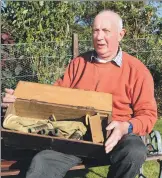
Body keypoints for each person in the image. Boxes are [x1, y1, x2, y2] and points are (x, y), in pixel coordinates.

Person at [2, 10, 157, 178]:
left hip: (116, 136)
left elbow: (148, 115)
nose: (98, 36)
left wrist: (125, 126)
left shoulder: (137, 71)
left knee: (134, 152)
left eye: (106, 31)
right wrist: (21, 98)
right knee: (42, 163)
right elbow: (53, 96)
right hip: (76, 136)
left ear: (121, 34)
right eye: (95, 30)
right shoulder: (78, 64)